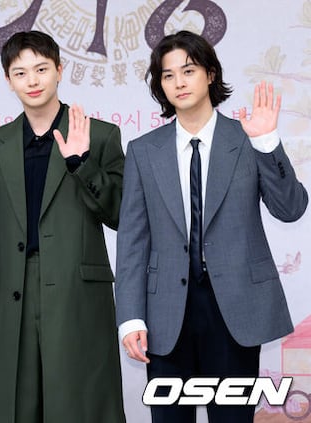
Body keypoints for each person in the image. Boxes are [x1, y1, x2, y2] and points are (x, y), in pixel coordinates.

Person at [115, 30, 308, 423]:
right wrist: (131, 316)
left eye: (188, 70)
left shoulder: (247, 139)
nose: (179, 82)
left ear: (211, 74)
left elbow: (291, 209)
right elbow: (133, 241)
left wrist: (267, 143)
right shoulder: (143, 151)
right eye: (168, 75)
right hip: (165, 312)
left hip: (235, 308)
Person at [0, 30, 126, 423]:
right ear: (8, 80)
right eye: (20, 72)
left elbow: (121, 213)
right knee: (19, 402)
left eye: (41, 69)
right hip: (16, 287)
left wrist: (81, 164)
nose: (33, 80)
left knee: (80, 403)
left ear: (60, 70)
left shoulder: (100, 135)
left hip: (78, 290)